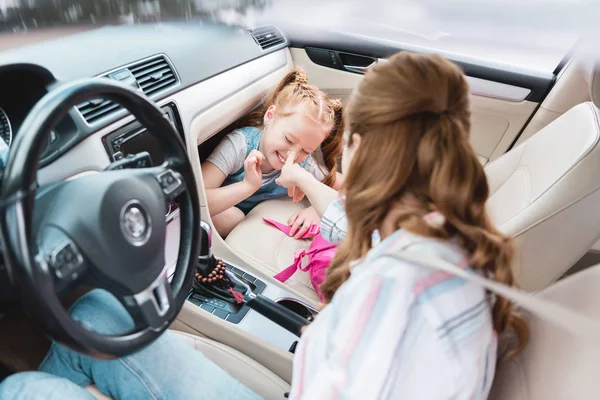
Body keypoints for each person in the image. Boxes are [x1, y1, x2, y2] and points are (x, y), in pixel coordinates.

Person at [0, 51, 528, 399]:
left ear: (364, 150)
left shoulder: (395, 290)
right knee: (96, 312)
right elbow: (347, 226)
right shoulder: (440, 242)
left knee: (20, 389)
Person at [201, 68, 345, 238]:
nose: (292, 155)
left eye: (306, 151)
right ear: (270, 116)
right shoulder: (239, 145)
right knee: (233, 217)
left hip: (257, 224)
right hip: (223, 212)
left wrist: (316, 209)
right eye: (288, 140)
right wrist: (247, 186)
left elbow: (352, 188)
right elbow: (197, 199)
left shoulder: (303, 165)